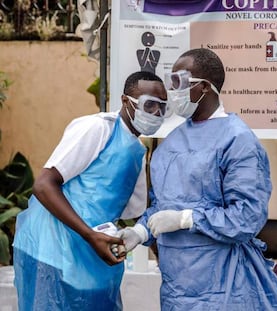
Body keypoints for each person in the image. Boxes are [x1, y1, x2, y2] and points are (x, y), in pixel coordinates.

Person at [118, 48, 277, 310]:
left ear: (203, 88)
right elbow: (163, 205)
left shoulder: (238, 140)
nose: (172, 90)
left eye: (179, 82)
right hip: (177, 285)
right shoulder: (172, 141)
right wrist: (141, 231)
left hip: (224, 284)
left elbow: (247, 216)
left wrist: (187, 219)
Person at [12, 71, 169, 311]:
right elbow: (44, 184)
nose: (156, 114)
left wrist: (161, 257)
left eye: (162, 108)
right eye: (150, 105)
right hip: (52, 247)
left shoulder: (137, 151)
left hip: (92, 253)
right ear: (126, 101)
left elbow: (138, 214)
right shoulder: (97, 128)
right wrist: (89, 235)